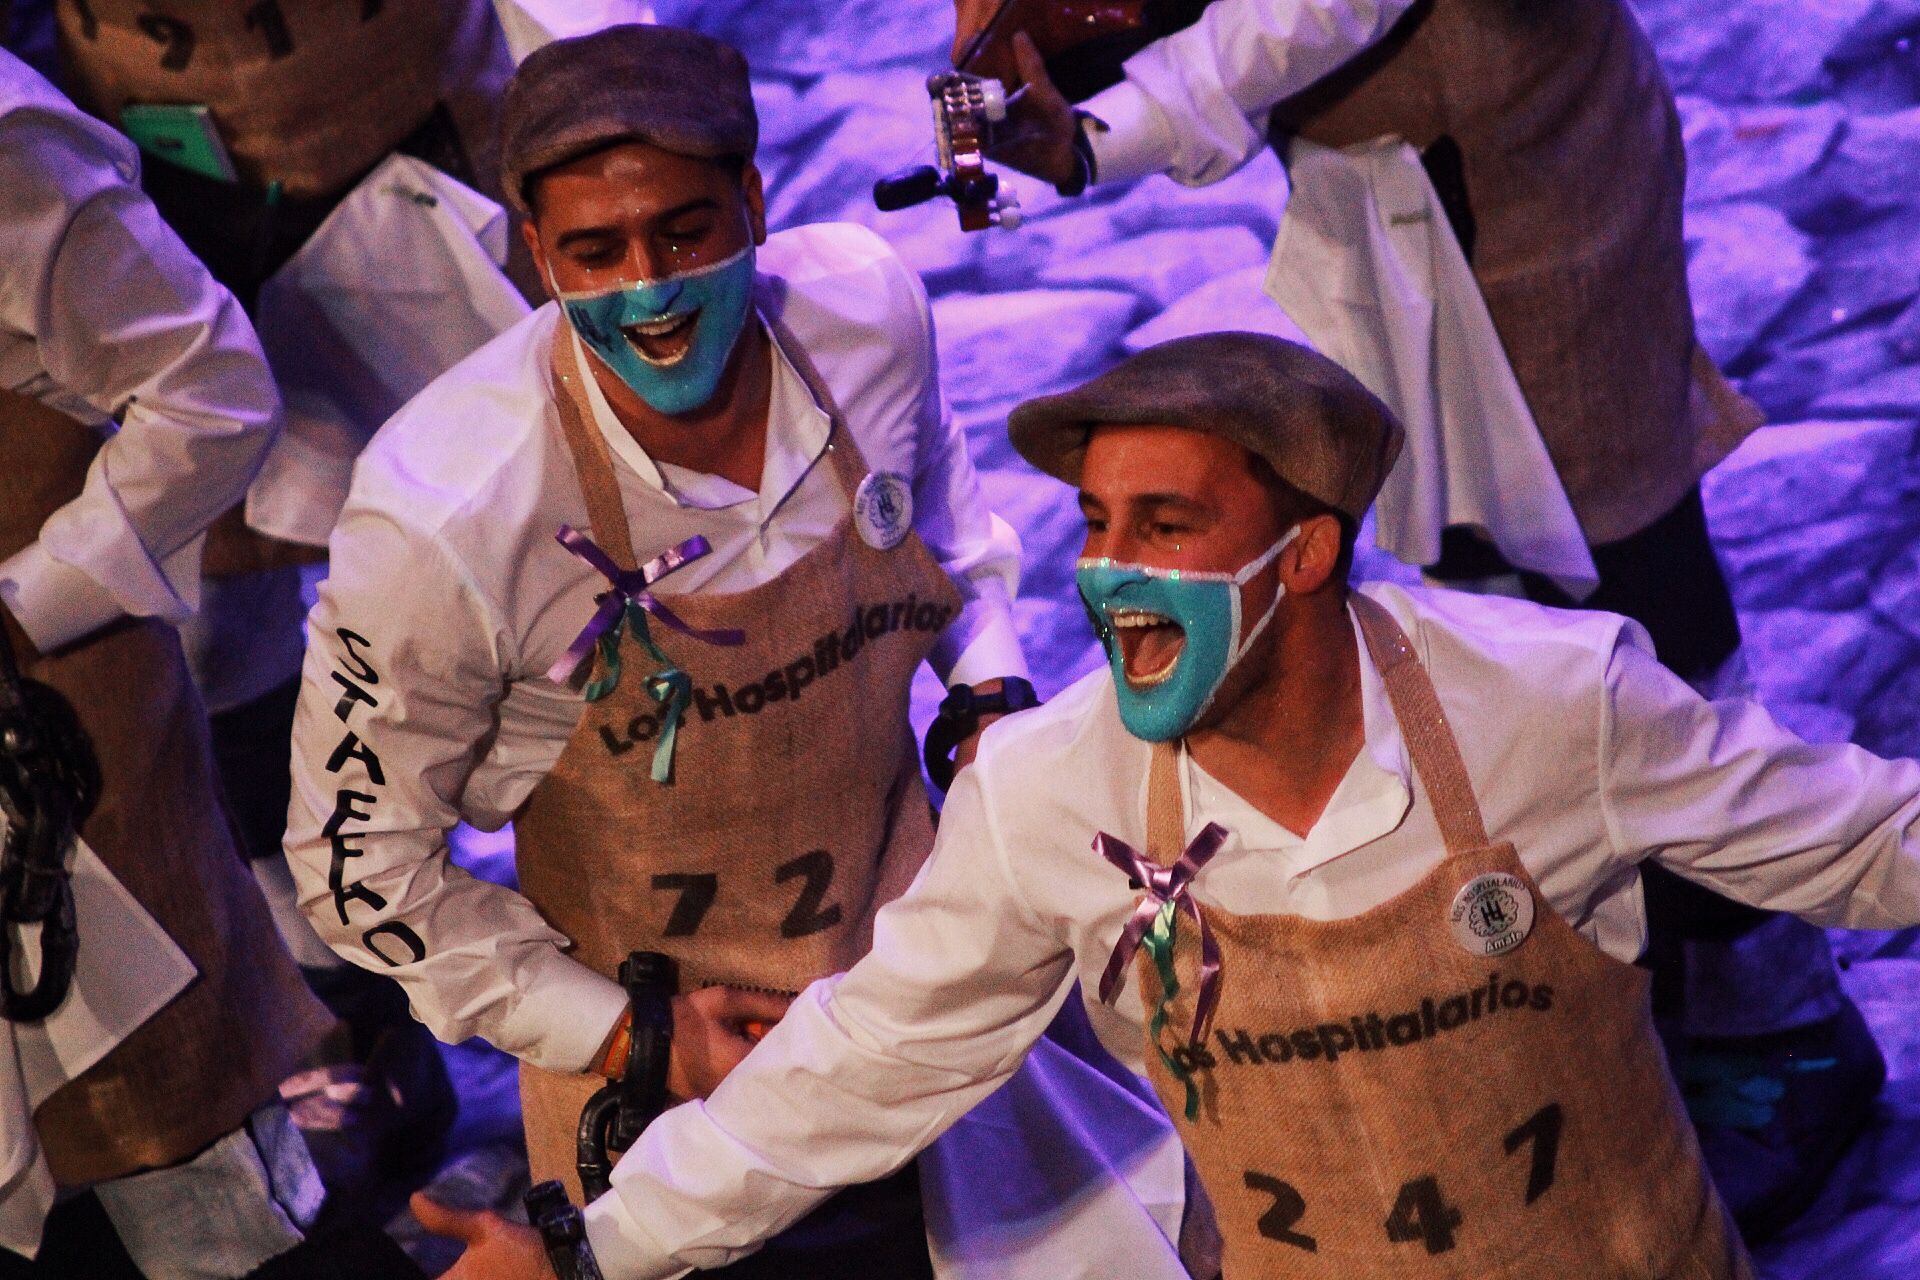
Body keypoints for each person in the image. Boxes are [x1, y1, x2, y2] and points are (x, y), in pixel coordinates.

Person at [427, 332, 1920, 1280]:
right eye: (1094, 526)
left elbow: (1862, 840)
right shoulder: (1049, 793)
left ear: (1307, 556)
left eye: (1166, 524)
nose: (1108, 568)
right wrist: (589, 1250)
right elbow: (860, 1064)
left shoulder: (1550, 706)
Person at [286, 24, 1193, 1279]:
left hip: (925, 984)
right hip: (679, 1094)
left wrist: (986, 694)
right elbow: (355, 869)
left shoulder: (864, 313)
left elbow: (950, 530)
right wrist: (627, 1036)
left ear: (756, 204)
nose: (650, 289)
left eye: (687, 232)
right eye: (595, 253)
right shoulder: (443, 511)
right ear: (536, 251)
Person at [955, 0, 1877, 1231]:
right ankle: (1635, 991)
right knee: (1483, 583)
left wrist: (1104, 131)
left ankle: (1785, 1025)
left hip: (1525, 179)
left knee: (1626, 576)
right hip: (1386, 192)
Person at [0, 48, 419, 1279]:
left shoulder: (10, 151)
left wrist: (29, 602)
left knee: (194, 1181)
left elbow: (214, 388)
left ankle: (378, 1047)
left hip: (57, 754)